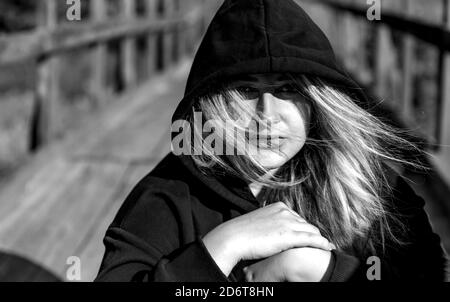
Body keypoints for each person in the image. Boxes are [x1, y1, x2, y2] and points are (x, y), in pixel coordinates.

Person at [95, 0, 447, 282]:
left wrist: (320, 272)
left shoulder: (365, 187)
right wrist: (222, 247)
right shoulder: (169, 195)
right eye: (247, 89)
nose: (267, 114)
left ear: (317, 103)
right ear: (212, 100)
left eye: (287, 89)